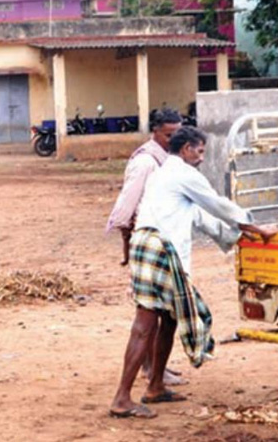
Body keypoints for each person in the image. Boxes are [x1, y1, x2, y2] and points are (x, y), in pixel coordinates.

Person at [109, 126, 278, 420]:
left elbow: (203, 217)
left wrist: (237, 236)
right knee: (145, 324)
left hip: (154, 248)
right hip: (156, 249)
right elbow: (219, 205)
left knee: (170, 319)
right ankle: (122, 398)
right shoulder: (182, 174)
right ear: (186, 148)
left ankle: (155, 386)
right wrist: (256, 228)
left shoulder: (170, 176)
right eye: (199, 152)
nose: (201, 158)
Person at [105, 107, 185, 386]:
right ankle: (150, 368)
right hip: (147, 238)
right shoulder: (146, 162)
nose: (173, 140)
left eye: (177, 134)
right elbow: (128, 202)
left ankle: (156, 367)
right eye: (168, 135)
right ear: (155, 132)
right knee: (149, 311)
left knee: (161, 309)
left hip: (163, 239)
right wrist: (125, 242)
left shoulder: (169, 160)